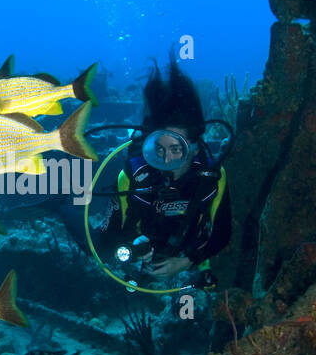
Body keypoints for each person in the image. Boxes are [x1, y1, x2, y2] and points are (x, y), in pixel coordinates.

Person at [98, 61, 231, 286]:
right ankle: (62, 206)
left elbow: (223, 232)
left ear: (195, 147)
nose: (166, 160)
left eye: (176, 149)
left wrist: (187, 261)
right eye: (159, 149)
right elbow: (108, 235)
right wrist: (134, 247)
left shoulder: (211, 177)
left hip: (185, 251)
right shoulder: (134, 175)